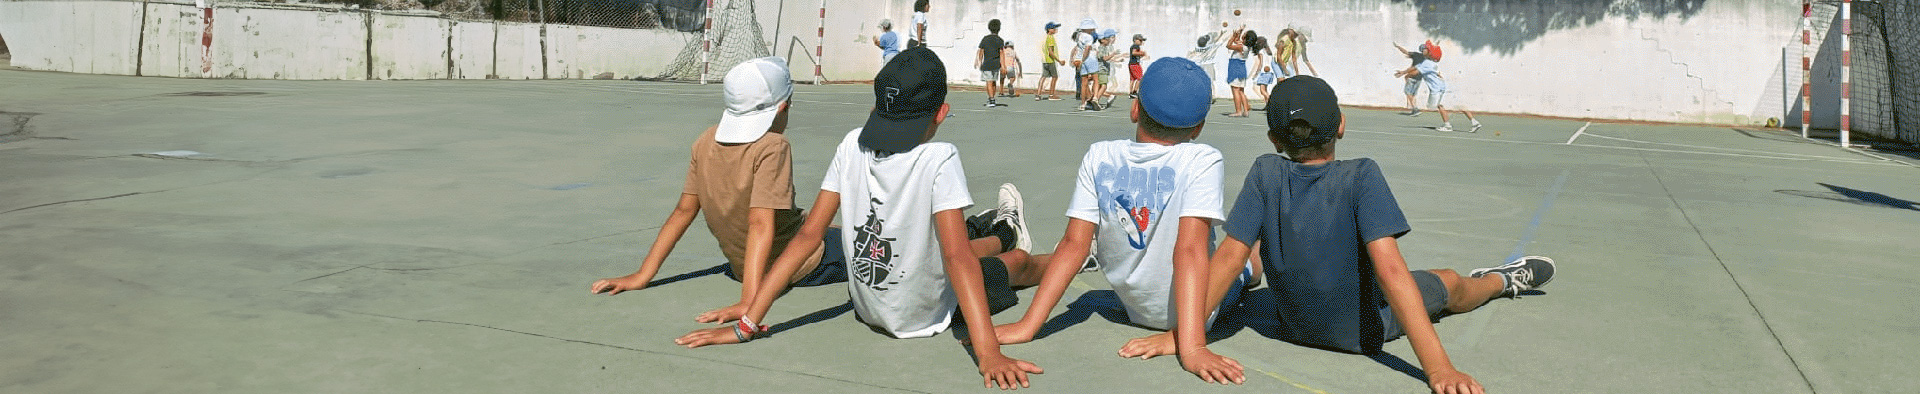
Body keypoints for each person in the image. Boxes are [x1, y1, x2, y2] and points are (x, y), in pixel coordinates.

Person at [674, 48, 1058, 390]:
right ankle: (1068, 255)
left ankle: (1009, 232)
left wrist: (747, 324)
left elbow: (808, 235)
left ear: (877, 109)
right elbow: (957, 259)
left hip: (869, 309)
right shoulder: (939, 157)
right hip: (927, 313)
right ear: (942, 112)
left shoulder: (851, 143)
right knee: (1017, 265)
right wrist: (987, 351)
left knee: (954, 249)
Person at [1220, 75, 1556, 393]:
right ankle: (1501, 282)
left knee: (1252, 246)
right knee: (1450, 281)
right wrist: (1439, 369)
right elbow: (1391, 272)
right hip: (1361, 332)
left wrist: (1185, 337)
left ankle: (1248, 278)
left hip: (1294, 328)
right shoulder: (1361, 175)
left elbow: (1228, 259)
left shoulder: (1265, 171)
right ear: (1341, 125)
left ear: (1274, 140)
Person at [991, 57, 1256, 385]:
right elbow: (1190, 251)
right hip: (1196, 314)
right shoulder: (1203, 158)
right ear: (1198, 128)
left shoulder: (1099, 155)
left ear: (1135, 110)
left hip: (1137, 309)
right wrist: (1192, 346)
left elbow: (1074, 245)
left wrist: (1028, 324)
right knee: (1245, 256)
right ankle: (1253, 264)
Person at [589, 57, 849, 324]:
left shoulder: (706, 140)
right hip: (801, 265)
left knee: (837, 229)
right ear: (782, 108)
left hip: (741, 268)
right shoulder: (773, 146)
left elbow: (683, 211)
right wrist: (749, 300)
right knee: (877, 245)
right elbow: (760, 224)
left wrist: (643, 275)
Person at [976, 19, 1008, 108]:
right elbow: (1002, 53)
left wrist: (979, 61)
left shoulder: (985, 39)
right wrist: (1003, 66)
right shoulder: (1000, 40)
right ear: (999, 28)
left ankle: (991, 99)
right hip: (996, 64)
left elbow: (981, 51)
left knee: (989, 82)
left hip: (987, 64)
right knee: (993, 82)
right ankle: (992, 98)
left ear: (989, 28)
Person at [1391, 41, 1428, 116]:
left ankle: (1415, 109)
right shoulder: (1425, 58)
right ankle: (1414, 108)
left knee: (1408, 93)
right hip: (1418, 78)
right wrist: (1398, 47)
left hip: (1413, 77)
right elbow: (1406, 52)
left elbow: (1406, 52)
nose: (1426, 50)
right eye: (1425, 49)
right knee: (1412, 94)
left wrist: (1398, 47)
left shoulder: (1419, 56)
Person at [1222, 27, 1251, 117]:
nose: (1243, 34)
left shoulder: (1241, 47)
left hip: (1236, 68)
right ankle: (1246, 111)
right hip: (1241, 68)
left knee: (1235, 90)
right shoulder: (1245, 46)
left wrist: (1233, 36)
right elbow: (1236, 40)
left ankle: (1238, 111)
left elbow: (1229, 45)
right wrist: (1239, 32)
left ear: (1246, 38)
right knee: (1241, 91)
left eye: (1244, 34)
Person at [1071, 19, 1099, 109]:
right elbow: (1087, 49)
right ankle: (1095, 97)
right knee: (1096, 79)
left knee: (1084, 82)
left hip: (1080, 59)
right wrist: (1084, 58)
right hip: (1089, 59)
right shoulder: (1089, 37)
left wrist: (1080, 60)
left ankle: (1083, 104)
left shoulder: (1079, 35)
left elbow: (1078, 48)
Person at [1036, 21, 1065, 101]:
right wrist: (1059, 61)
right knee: (1055, 76)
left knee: (1043, 77)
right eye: (1053, 28)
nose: (1056, 29)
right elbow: (1050, 52)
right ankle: (1051, 95)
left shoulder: (1044, 38)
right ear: (1049, 29)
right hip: (1050, 61)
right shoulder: (1051, 38)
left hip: (1044, 61)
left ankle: (1038, 94)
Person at [1250, 36, 1275, 104]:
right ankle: (1268, 105)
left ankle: (1272, 103)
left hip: (1264, 73)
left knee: (1262, 90)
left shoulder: (1261, 51)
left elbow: (1260, 64)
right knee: (1265, 90)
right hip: (1270, 73)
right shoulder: (1269, 51)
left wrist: (1256, 74)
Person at [1127, 34, 1148, 98]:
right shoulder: (1136, 46)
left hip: (1131, 64)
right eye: (1140, 40)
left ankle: (1130, 93)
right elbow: (1134, 53)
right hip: (1135, 64)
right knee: (1140, 78)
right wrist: (1142, 53)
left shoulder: (1134, 46)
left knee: (1132, 79)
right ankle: (1134, 92)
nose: (1141, 42)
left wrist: (1141, 55)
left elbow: (1134, 54)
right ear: (1135, 40)